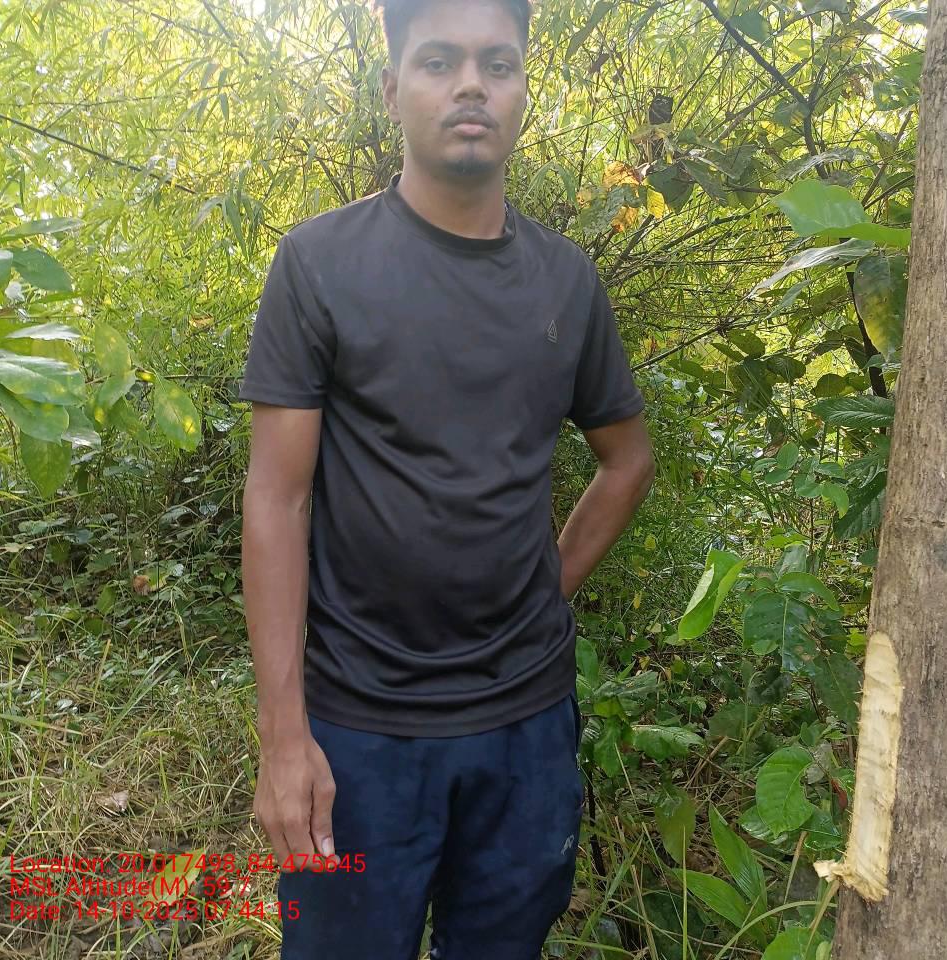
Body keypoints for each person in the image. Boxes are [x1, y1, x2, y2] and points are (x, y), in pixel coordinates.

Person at [238, 0, 655, 956]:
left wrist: (547, 586)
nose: (472, 84)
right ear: (393, 90)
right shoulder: (320, 264)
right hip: (357, 730)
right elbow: (277, 497)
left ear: (522, 93)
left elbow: (626, 459)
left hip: (527, 728)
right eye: (439, 62)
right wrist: (284, 735)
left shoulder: (566, 281)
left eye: (497, 65)